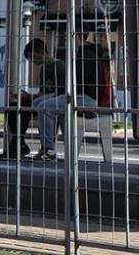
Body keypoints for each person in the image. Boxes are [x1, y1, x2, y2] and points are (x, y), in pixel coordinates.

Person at [34, 31, 107, 160]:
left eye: (68, 37)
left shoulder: (85, 56)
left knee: (44, 107)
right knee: (42, 104)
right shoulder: (83, 54)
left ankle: (49, 149)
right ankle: (47, 146)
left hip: (85, 98)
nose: (66, 42)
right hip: (79, 96)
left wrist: (61, 93)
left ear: (77, 36)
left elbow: (78, 82)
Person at [0, 38, 66, 161]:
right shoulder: (44, 68)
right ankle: (18, 143)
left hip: (56, 100)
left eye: (31, 56)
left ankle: (48, 148)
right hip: (43, 99)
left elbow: (58, 92)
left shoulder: (60, 67)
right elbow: (43, 92)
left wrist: (30, 97)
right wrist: (27, 96)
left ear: (40, 52)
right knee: (14, 106)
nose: (32, 60)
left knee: (39, 103)